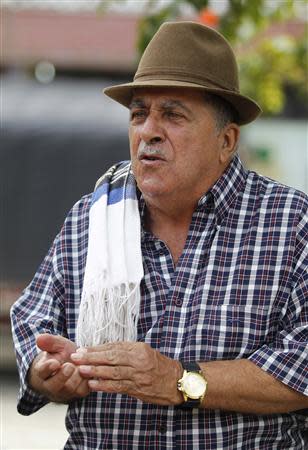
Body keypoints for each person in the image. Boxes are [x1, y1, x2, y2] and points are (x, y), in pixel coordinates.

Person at [11, 21, 308, 449]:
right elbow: (31, 322)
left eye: (172, 114)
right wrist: (47, 372)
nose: (148, 130)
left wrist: (180, 381)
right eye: (138, 113)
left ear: (226, 141)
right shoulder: (92, 219)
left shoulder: (290, 223)